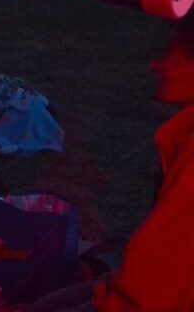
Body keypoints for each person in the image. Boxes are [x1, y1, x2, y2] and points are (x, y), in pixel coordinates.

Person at [30, 18, 194, 311]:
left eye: (170, 55)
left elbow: (155, 287)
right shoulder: (182, 135)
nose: (155, 66)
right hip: (145, 290)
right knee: (46, 302)